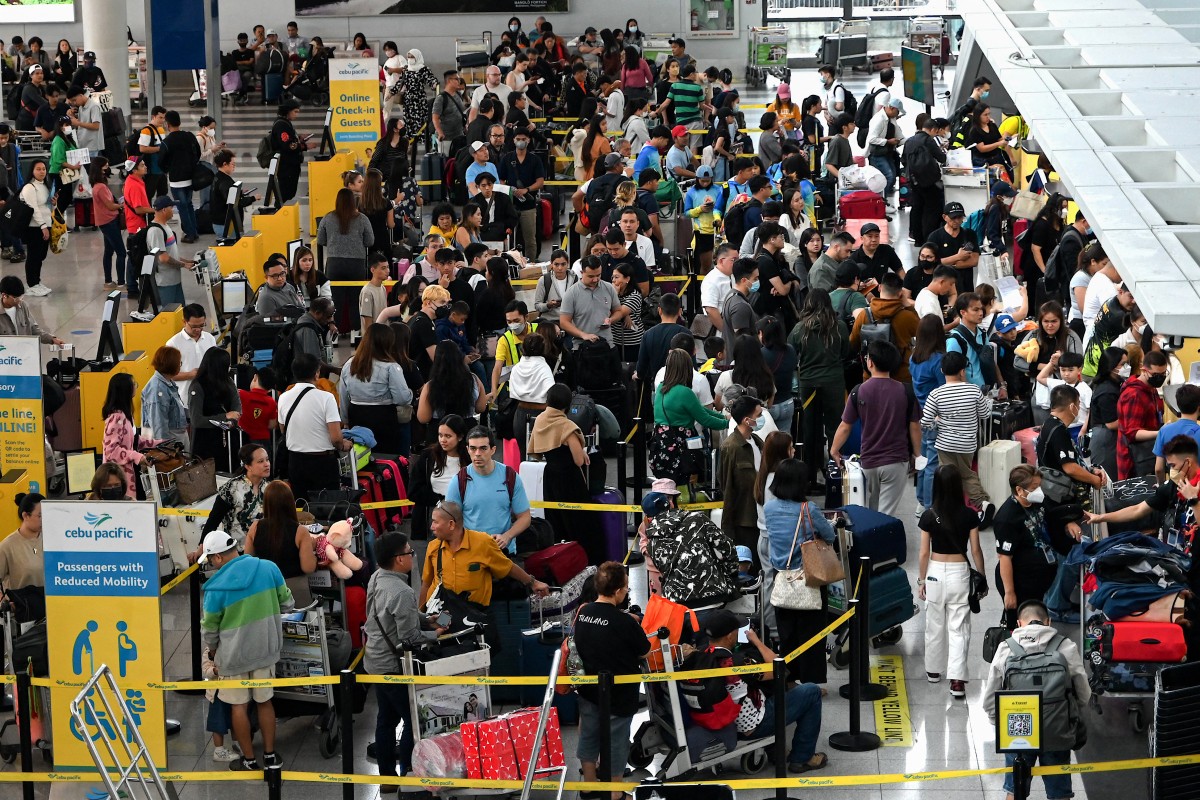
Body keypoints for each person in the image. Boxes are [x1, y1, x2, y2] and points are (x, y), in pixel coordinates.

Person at [198, 529, 294, 772]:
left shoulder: (215, 588)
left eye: (210, 560)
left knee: (238, 707)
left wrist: (212, 651)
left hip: (232, 657)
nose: (210, 565)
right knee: (265, 702)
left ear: (218, 557)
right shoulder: (268, 568)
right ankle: (270, 756)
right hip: (265, 650)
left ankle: (250, 760)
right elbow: (288, 603)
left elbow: (209, 629)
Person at [982, 600, 1091, 800]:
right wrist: (1071, 713)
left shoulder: (1006, 648)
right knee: (1060, 792)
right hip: (1057, 728)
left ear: (1019, 624)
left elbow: (990, 697)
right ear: (1048, 622)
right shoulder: (1066, 646)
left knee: (1015, 790)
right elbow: (1083, 691)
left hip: (1017, 730)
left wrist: (998, 721)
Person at [703, 609, 828, 773]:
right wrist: (757, 642)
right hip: (750, 726)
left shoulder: (700, 656)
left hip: (722, 722)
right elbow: (779, 670)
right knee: (811, 692)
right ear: (729, 636)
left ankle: (776, 751)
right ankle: (803, 758)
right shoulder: (738, 663)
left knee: (767, 689)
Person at [365, 532, 441, 788]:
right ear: (398, 559)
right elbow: (410, 638)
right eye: (410, 552)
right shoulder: (403, 591)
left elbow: (385, 614)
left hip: (373, 658)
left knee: (386, 719)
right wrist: (436, 633)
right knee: (411, 718)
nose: (412, 556)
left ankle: (387, 778)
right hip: (392, 665)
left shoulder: (377, 577)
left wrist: (424, 618)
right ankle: (408, 770)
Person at [572, 561, 651, 798]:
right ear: (617, 591)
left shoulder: (583, 613)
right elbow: (645, 650)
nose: (626, 592)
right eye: (626, 588)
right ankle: (615, 794)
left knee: (588, 735)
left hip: (588, 690)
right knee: (617, 742)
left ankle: (589, 785)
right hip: (619, 694)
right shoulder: (624, 622)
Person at [763, 458, 836, 683]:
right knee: (812, 635)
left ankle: (789, 679)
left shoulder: (769, 508)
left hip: (781, 578)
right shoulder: (808, 509)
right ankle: (812, 683)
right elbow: (830, 536)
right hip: (808, 577)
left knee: (787, 635)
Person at [917, 464, 987, 697]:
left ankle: (933, 671)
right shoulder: (969, 515)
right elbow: (976, 550)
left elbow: (924, 553)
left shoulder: (929, 515)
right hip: (960, 572)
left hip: (935, 571)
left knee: (934, 624)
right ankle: (957, 680)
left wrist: (921, 580)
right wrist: (982, 576)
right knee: (959, 627)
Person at [830, 340, 921, 517]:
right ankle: (881, 540)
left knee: (871, 509)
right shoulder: (905, 391)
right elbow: (915, 426)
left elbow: (845, 426)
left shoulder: (859, 391)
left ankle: (872, 538)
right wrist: (917, 455)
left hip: (869, 461)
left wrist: (834, 450)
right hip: (896, 461)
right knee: (886, 513)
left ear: (870, 362)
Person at [992, 465, 1083, 629]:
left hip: (1038, 580)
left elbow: (1051, 513)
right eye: (1034, 488)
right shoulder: (1007, 519)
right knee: (1022, 627)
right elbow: (1005, 558)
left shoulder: (1035, 501)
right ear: (1019, 490)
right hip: (1021, 583)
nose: (1039, 491)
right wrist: (1010, 592)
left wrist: (1068, 521)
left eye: (1039, 486)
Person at [527, 382, 605, 561]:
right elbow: (578, 460)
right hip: (570, 479)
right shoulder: (567, 426)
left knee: (557, 523)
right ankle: (587, 561)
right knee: (581, 523)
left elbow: (536, 453)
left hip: (550, 476)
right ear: (567, 404)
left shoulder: (540, 420)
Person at [921, 351, 994, 525]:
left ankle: (947, 510)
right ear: (962, 371)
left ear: (941, 370)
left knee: (945, 477)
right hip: (967, 444)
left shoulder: (936, 394)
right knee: (967, 475)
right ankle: (982, 503)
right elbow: (985, 414)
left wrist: (937, 422)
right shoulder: (973, 390)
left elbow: (924, 421)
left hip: (945, 444)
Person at [789, 289, 848, 486]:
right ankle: (835, 474)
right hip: (834, 383)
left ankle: (810, 477)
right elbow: (846, 352)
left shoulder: (799, 329)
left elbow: (790, 352)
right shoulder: (838, 327)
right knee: (834, 428)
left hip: (808, 385)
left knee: (809, 430)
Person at [443, 425, 531, 553]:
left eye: (483, 448)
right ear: (467, 449)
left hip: (503, 551)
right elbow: (450, 521)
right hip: (471, 551)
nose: (477, 453)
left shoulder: (510, 476)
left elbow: (525, 517)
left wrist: (507, 536)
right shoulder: (459, 481)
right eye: (473, 448)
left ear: (493, 450)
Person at [277, 353, 352, 501]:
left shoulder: (283, 397)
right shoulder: (326, 398)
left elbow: (283, 429)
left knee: (302, 508)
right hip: (322, 464)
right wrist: (344, 445)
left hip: (295, 462)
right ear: (317, 373)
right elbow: (336, 438)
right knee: (327, 509)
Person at [650, 349, 728, 485]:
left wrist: (722, 416)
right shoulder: (685, 392)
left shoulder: (661, 388)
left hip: (661, 444)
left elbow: (698, 410)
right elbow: (704, 419)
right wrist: (729, 422)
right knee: (684, 487)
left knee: (666, 486)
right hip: (681, 450)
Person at [341, 323, 413, 456]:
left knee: (362, 455)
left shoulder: (349, 364)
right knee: (386, 456)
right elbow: (402, 398)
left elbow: (343, 397)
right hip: (383, 417)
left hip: (356, 414)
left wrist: (345, 420)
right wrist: (410, 393)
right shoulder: (391, 367)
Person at [244, 480, 318, 605]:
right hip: (295, 590)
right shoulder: (300, 531)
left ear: (266, 503)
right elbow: (308, 567)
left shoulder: (255, 527)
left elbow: (248, 562)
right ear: (290, 502)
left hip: (265, 590)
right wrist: (312, 550)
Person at [318, 188, 374, 334]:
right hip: (356, 265)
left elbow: (320, 240)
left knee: (334, 300)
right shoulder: (362, 218)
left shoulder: (328, 217)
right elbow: (370, 241)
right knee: (356, 299)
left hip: (334, 263)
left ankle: (334, 330)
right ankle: (355, 331)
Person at [848, 272, 920, 384]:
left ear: (880, 287)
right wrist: (908, 306)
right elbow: (920, 331)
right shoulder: (907, 317)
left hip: (871, 376)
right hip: (901, 377)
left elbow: (853, 344)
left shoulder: (864, 315)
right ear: (900, 293)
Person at [102, 373, 164, 498]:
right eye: (134, 384)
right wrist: (137, 456)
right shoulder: (117, 418)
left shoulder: (125, 414)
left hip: (131, 472)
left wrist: (160, 443)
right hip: (120, 478)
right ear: (126, 390)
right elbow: (111, 451)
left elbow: (133, 440)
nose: (136, 386)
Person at [200, 444, 270, 550]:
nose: (267, 464)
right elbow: (213, 521)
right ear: (248, 466)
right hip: (238, 552)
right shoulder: (231, 489)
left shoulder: (269, 487)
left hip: (264, 549)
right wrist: (202, 548)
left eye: (267, 460)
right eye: (261, 461)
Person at [910, 315, 947, 513]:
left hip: (919, 415)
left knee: (922, 460)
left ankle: (920, 499)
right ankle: (928, 505)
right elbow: (944, 389)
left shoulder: (914, 357)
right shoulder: (939, 360)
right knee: (932, 462)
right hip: (935, 416)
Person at [720, 394, 765, 554]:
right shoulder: (731, 448)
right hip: (744, 519)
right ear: (747, 420)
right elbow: (727, 486)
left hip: (762, 515)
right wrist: (728, 529)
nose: (761, 418)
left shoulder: (757, 441)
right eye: (758, 415)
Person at [416, 340, 487, 439]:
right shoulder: (473, 379)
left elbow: (423, 418)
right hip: (467, 431)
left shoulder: (430, 386)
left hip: (439, 433)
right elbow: (481, 408)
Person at [1117, 349, 1168, 480]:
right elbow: (1132, 433)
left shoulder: (1151, 389)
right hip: (1135, 461)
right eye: (1156, 374)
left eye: (1163, 374)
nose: (1160, 378)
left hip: (1148, 454)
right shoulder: (1133, 395)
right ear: (1143, 370)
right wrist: (1160, 432)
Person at [559, 257, 623, 349]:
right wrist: (583, 335)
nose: (595, 280)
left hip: (607, 345)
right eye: (591, 276)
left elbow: (618, 311)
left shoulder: (609, 288)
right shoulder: (571, 293)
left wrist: (611, 320)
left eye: (598, 275)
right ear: (582, 273)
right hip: (582, 347)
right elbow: (564, 322)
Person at [87, 158, 130, 291]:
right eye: (105, 166)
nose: (107, 168)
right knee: (121, 252)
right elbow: (110, 206)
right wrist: (122, 205)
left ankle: (108, 281)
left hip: (104, 221)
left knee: (108, 252)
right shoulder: (100, 187)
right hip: (109, 221)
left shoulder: (97, 185)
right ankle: (122, 282)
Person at [17, 158, 54, 296]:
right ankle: (32, 284)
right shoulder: (29, 188)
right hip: (34, 227)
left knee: (41, 255)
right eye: (38, 169)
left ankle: (37, 281)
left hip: (45, 224)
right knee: (34, 256)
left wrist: (53, 203)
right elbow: (33, 209)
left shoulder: (44, 185)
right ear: (32, 171)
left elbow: (45, 206)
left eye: (44, 169)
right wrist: (43, 226)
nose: (42, 172)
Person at [927, 202, 980, 295]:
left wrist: (951, 265)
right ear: (944, 217)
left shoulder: (969, 234)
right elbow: (933, 263)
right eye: (953, 218)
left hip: (966, 284)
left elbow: (974, 260)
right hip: (944, 287)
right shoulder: (935, 237)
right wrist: (958, 257)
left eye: (959, 217)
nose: (957, 220)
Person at [141, 346, 187, 441]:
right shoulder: (157, 389)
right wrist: (166, 449)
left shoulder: (168, 382)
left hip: (177, 436)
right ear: (171, 364)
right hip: (170, 440)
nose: (180, 365)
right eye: (179, 362)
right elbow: (158, 424)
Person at [0, 493, 45, 591]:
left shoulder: (50, 540)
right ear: (25, 515)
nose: (45, 519)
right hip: (22, 604)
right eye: (40, 516)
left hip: (50, 603)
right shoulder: (7, 546)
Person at [0, 276, 62, 344]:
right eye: (16, 298)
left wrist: (52, 339)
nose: (19, 300)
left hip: (25, 351)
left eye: (21, 297)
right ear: (4, 296)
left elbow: (33, 329)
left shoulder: (22, 306)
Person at [270, 100, 308, 202]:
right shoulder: (281, 125)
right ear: (287, 111)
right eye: (295, 111)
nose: (297, 114)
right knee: (284, 194)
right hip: (286, 167)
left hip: (290, 166)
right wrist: (305, 146)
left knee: (288, 193)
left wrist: (298, 139)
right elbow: (289, 146)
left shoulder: (286, 123)